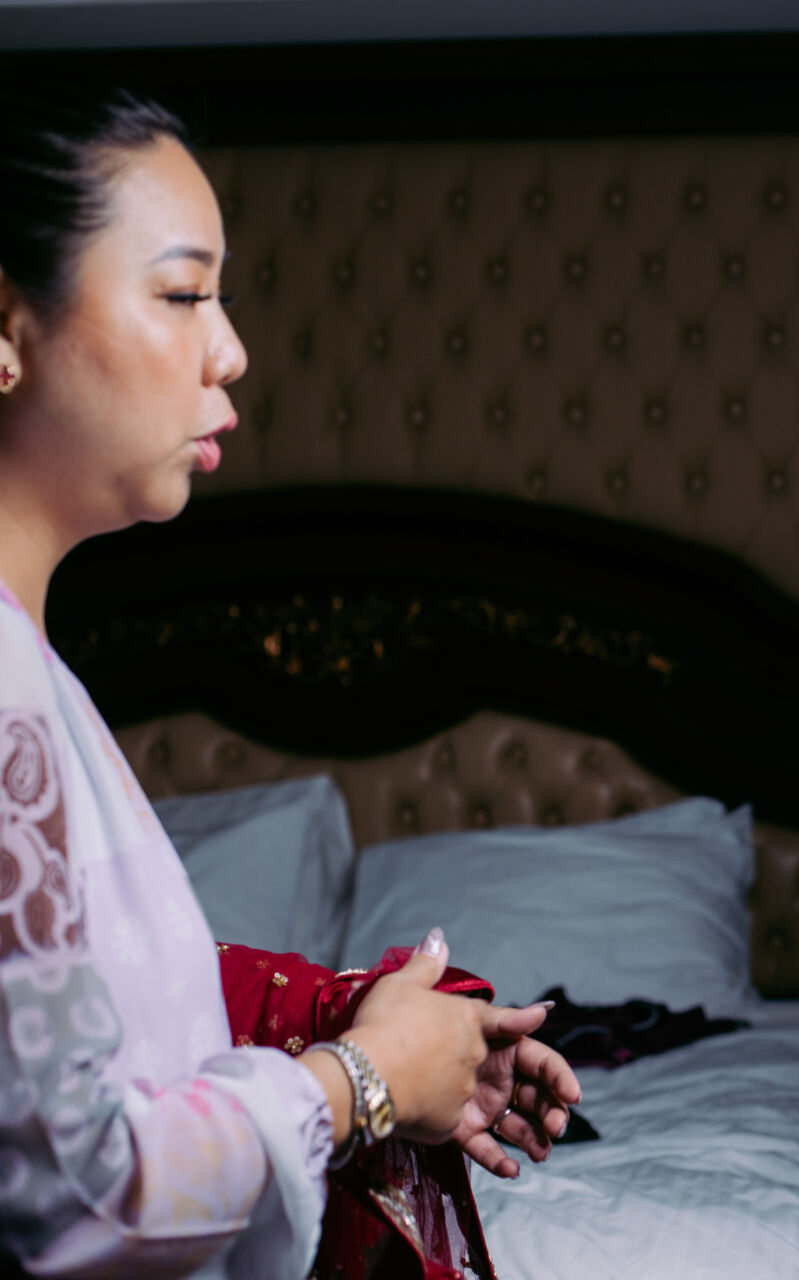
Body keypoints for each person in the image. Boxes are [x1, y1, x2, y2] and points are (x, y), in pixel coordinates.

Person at [0, 85, 580, 1278]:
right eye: (182, 294)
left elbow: (92, 1017)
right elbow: (77, 1195)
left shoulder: (33, 667)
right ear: (5, 325)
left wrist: (380, 1029)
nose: (232, 351)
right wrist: (365, 1077)